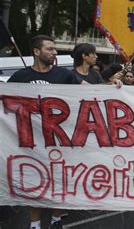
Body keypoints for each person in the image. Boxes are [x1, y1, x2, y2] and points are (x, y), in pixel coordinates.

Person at [8, 35, 82, 229]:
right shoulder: (20, 77)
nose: (55, 52)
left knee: (59, 181)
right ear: (37, 52)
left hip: (59, 141)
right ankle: (35, 224)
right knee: (33, 182)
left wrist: (113, 89)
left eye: (54, 49)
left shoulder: (64, 76)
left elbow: (88, 92)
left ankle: (56, 220)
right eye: (50, 49)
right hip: (29, 142)